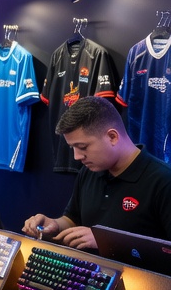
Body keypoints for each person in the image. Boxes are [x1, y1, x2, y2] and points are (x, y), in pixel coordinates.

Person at [22, 96, 171, 249]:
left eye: (82, 147)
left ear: (112, 137)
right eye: (72, 147)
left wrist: (107, 241)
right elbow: (72, 219)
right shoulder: (89, 172)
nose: (77, 156)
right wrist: (54, 225)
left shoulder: (163, 181)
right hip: (89, 271)